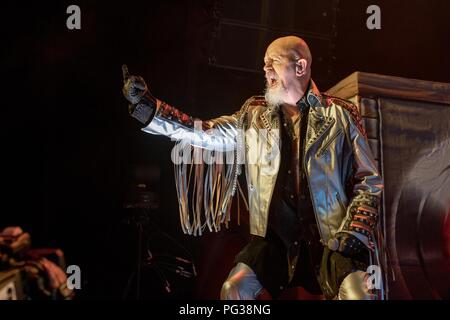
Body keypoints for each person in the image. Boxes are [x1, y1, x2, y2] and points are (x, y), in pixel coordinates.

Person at [122, 36, 384, 300]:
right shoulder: (254, 114)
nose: (266, 69)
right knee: (233, 289)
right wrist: (152, 110)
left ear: (300, 67)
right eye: (264, 63)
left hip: (331, 238)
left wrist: (355, 230)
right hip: (275, 241)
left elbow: (369, 180)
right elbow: (204, 132)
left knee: (361, 295)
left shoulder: (341, 114)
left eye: (274, 62)